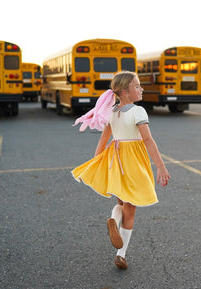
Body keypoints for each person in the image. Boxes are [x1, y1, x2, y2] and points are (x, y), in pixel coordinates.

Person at [71, 71, 171, 270]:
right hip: (133, 161)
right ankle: (121, 254)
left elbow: (103, 139)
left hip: (115, 159)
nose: (141, 89)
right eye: (137, 86)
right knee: (131, 207)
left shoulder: (111, 112)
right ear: (125, 92)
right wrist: (160, 165)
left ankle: (113, 219)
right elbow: (148, 140)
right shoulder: (138, 111)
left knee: (122, 201)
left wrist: (95, 162)